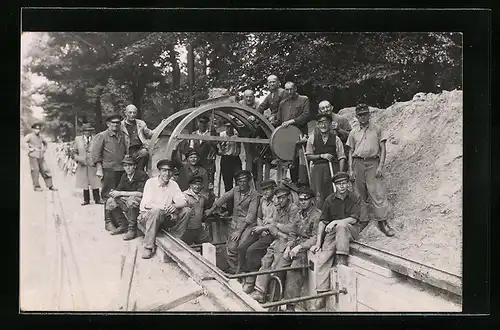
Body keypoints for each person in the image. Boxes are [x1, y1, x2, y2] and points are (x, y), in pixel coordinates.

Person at [311, 172, 361, 309]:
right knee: (322, 259)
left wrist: (336, 222)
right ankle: (321, 294)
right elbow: (323, 222)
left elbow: (354, 219)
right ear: (335, 186)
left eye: (344, 183)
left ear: (348, 184)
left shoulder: (354, 197)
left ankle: (341, 257)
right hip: (333, 233)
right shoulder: (329, 200)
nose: (342, 186)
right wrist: (318, 243)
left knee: (342, 225)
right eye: (339, 184)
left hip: (350, 230)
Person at [346, 103, 395, 237]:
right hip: (358, 163)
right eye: (360, 115)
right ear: (356, 116)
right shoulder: (353, 132)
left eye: (365, 114)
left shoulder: (377, 129)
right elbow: (350, 152)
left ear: (369, 115)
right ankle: (363, 219)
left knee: (377, 193)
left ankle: (382, 222)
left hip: (373, 163)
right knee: (359, 193)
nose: (363, 117)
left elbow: (383, 148)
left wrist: (381, 165)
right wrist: (350, 169)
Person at [250, 186, 300, 303]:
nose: (280, 200)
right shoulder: (280, 209)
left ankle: (275, 297)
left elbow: (292, 229)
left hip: (289, 241)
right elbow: (274, 227)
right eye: (278, 198)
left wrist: (277, 226)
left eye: (282, 198)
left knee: (276, 266)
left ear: (288, 197)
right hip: (278, 239)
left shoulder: (294, 209)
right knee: (265, 260)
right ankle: (260, 291)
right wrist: (276, 229)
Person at [274, 187, 322, 312]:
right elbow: (293, 233)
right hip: (294, 246)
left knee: (293, 271)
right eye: (300, 199)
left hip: (305, 249)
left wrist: (300, 247)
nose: (302, 202)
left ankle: (291, 307)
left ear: (311, 200)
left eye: (305, 199)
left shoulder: (317, 215)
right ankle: (275, 304)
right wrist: (289, 246)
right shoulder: (298, 213)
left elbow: (314, 237)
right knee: (278, 268)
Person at [205, 170, 259, 274]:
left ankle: (242, 270)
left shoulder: (254, 194)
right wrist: (211, 210)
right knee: (231, 248)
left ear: (248, 181)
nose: (241, 184)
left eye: (244, 181)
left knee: (242, 247)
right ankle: (234, 269)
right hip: (235, 222)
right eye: (239, 181)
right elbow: (224, 198)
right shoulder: (236, 190)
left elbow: (250, 216)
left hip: (248, 225)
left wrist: (239, 231)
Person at [138, 159, 189, 259]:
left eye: (169, 171)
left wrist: (175, 206)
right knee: (156, 211)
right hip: (146, 218)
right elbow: (146, 204)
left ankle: (176, 238)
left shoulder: (173, 184)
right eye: (164, 170)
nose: (167, 173)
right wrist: (164, 207)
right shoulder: (151, 182)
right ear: (159, 171)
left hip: (163, 217)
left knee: (186, 211)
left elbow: (184, 201)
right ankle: (148, 246)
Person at [237, 179, 277, 293]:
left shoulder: (277, 201)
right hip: (261, 229)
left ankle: (251, 279)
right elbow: (259, 217)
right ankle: (243, 274)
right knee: (242, 247)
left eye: (268, 189)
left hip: (272, 232)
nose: (265, 192)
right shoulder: (263, 200)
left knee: (251, 250)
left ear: (273, 189)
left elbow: (277, 221)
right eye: (264, 190)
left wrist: (265, 228)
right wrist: (260, 228)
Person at [91, 114, 128, 231]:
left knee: (117, 195)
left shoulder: (122, 135)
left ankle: (117, 221)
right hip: (108, 170)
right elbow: (96, 154)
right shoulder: (102, 136)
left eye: (118, 123)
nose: (115, 125)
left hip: (120, 169)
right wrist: (99, 168)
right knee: (107, 195)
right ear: (108, 124)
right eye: (113, 123)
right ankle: (108, 222)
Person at [305, 113, 346, 207]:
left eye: (325, 122)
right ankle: (320, 218)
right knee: (318, 195)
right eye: (320, 123)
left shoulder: (336, 139)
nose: (323, 125)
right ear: (317, 125)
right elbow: (308, 156)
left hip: (332, 170)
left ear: (330, 123)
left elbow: (341, 157)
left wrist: (339, 173)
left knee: (332, 193)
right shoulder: (312, 138)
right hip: (317, 171)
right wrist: (321, 156)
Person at [105, 155, 149, 240]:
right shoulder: (125, 176)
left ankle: (132, 229)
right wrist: (114, 193)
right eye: (125, 166)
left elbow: (141, 193)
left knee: (132, 200)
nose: (128, 168)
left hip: (142, 202)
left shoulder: (141, 175)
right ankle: (123, 225)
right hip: (129, 200)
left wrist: (121, 193)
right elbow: (119, 190)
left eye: (130, 165)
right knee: (111, 200)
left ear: (135, 166)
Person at [276, 81, 311, 185]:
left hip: (300, 136)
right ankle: (293, 185)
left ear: (296, 88)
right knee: (290, 161)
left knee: (301, 162)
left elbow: (306, 116)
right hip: (287, 137)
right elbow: (279, 120)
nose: (289, 91)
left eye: (291, 89)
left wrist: (291, 121)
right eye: (287, 89)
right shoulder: (283, 103)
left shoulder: (304, 99)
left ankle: (304, 186)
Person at [72, 123, 102, 205]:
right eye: (85, 131)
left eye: (89, 131)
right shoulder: (78, 139)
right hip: (83, 164)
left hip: (93, 164)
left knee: (95, 181)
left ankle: (97, 199)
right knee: (84, 182)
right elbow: (74, 153)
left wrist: (97, 160)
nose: (87, 132)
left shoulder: (96, 139)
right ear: (83, 132)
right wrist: (79, 159)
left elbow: (99, 150)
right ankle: (86, 200)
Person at [23, 122, 57, 191]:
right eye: (36, 129)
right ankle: (36, 186)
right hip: (33, 155)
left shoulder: (40, 137)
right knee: (35, 170)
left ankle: (50, 185)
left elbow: (45, 144)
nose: (37, 130)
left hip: (41, 156)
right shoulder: (29, 136)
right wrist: (29, 149)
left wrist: (44, 150)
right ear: (33, 129)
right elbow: (23, 143)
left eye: (39, 129)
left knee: (46, 170)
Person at [181, 175, 214, 246]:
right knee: (184, 250)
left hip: (199, 228)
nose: (197, 186)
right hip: (187, 230)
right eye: (195, 184)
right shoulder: (184, 195)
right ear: (190, 185)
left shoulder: (202, 197)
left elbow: (209, 204)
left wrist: (211, 191)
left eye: (199, 184)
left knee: (209, 245)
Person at [121, 104, 155, 172]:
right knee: (127, 170)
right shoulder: (120, 125)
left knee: (144, 154)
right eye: (130, 112)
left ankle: (140, 173)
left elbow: (149, 134)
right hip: (126, 152)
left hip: (139, 150)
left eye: (134, 112)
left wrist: (161, 126)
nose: (132, 114)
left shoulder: (141, 123)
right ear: (125, 113)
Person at [217, 122, 242, 213]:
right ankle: (230, 208)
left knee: (240, 182)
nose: (229, 129)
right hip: (226, 158)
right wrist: (222, 146)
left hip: (235, 159)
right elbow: (218, 150)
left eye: (231, 127)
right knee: (228, 184)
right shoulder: (221, 135)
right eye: (227, 127)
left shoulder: (237, 134)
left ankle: (239, 207)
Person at [189, 115, 217, 187]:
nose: (203, 124)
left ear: (208, 124)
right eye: (201, 122)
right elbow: (191, 148)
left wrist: (210, 141)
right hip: (196, 164)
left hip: (208, 164)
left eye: (205, 122)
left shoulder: (211, 134)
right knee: (196, 183)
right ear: (198, 123)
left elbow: (216, 149)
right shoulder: (194, 134)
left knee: (208, 185)